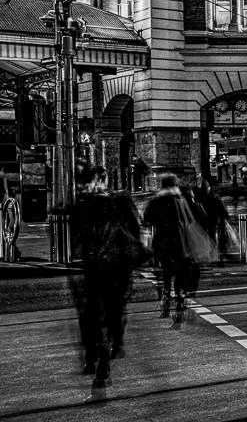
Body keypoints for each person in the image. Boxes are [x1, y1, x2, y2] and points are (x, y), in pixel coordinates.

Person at [70, 166, 143, 399]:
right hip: (118, 267)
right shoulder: (119, 204)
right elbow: (134, 233)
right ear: (106, 181)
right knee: (114, 308)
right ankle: (111, 347)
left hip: (93, 268)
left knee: (91, 311)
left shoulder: (81, 207)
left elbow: (78, 240)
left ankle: (93, 355)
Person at [142, 174, 208, 324]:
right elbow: (196, 217)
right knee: (181, 273)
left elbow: (147, 218)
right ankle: (180, 300)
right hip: (181, 242)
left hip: (163, 242)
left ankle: (165, 298)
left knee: (165, 273)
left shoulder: (155, 201)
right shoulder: (181, 199)